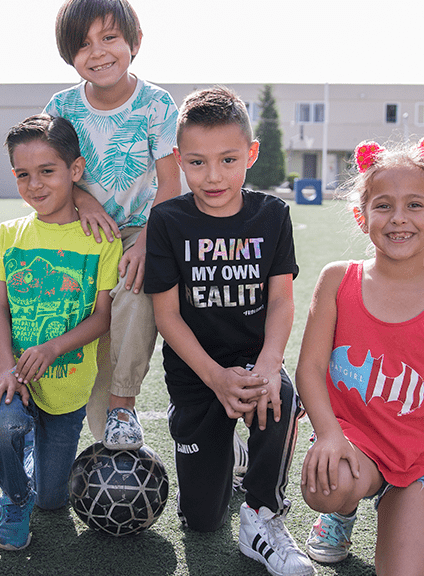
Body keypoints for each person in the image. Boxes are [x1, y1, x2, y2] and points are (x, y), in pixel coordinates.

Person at [145, 87, 315, 576]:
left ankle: (262, 514)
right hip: (197, 375)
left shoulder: (271, 214)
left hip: (253, 359)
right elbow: (167, 317)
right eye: (196, 163)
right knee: (200, 520)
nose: (213, 176)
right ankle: (231, 451)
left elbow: (282, 300)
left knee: (277, 393)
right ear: (178, 160)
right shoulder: (167, 220)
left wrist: (268, 362)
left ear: (251, 155)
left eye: (228, 159)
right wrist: (216, 378)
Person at [296, 137, 424, 576]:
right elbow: (310, 368)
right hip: (353, 444)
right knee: (327, 486)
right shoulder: (338, 280)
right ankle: (341, 512)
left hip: (419, 457)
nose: (398, 218)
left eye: (415, 205)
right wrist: (328, 435)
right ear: (361, 216)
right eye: (383, 206)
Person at [0, 114, 121, 550]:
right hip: (12, 379)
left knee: (54, 500)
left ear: (75, 171)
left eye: (47, 171)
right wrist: (5, 369)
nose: (35, 185)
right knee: (3, 427)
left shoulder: (101, 239)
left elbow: (104, 316)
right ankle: (13, 497)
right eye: (23, 174)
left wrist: (54, 347)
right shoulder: (9, 234)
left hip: (67, 390)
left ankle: (31, 460)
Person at [45, 0, 181, 450]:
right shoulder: (61, 106)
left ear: (134, 43)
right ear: (69, 54)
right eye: (83, 44)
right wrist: (81, 198)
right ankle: (92, 438)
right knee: (88, 332)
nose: (98, 52)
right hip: (80, 232)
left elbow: (169, 184)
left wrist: (146, 240)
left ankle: (123, 405)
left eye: (109, 38)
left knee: (134, 285)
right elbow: (53, 172)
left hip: (140, 229)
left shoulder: (156, 103)